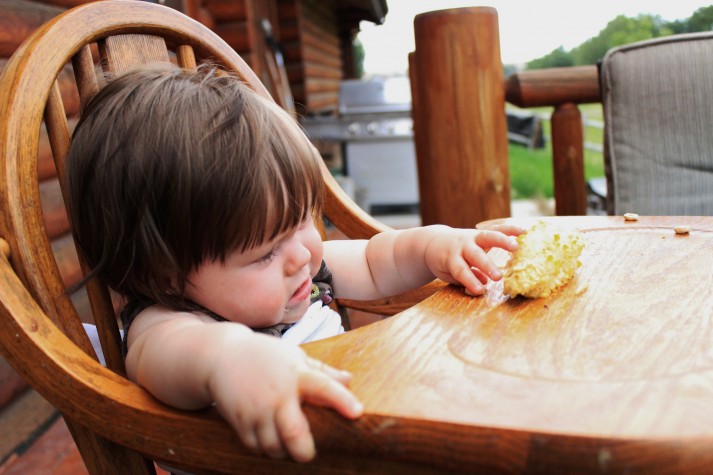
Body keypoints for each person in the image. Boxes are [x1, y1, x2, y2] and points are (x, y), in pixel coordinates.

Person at [66, 62, 523, 463]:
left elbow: (372, 259)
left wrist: (433, 246)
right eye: (265, 251)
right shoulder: (168, 325)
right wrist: (232, 358)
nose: (303, 254)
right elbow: (183, 355)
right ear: (165, 273)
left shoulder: (299, 271)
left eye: (305, 218)